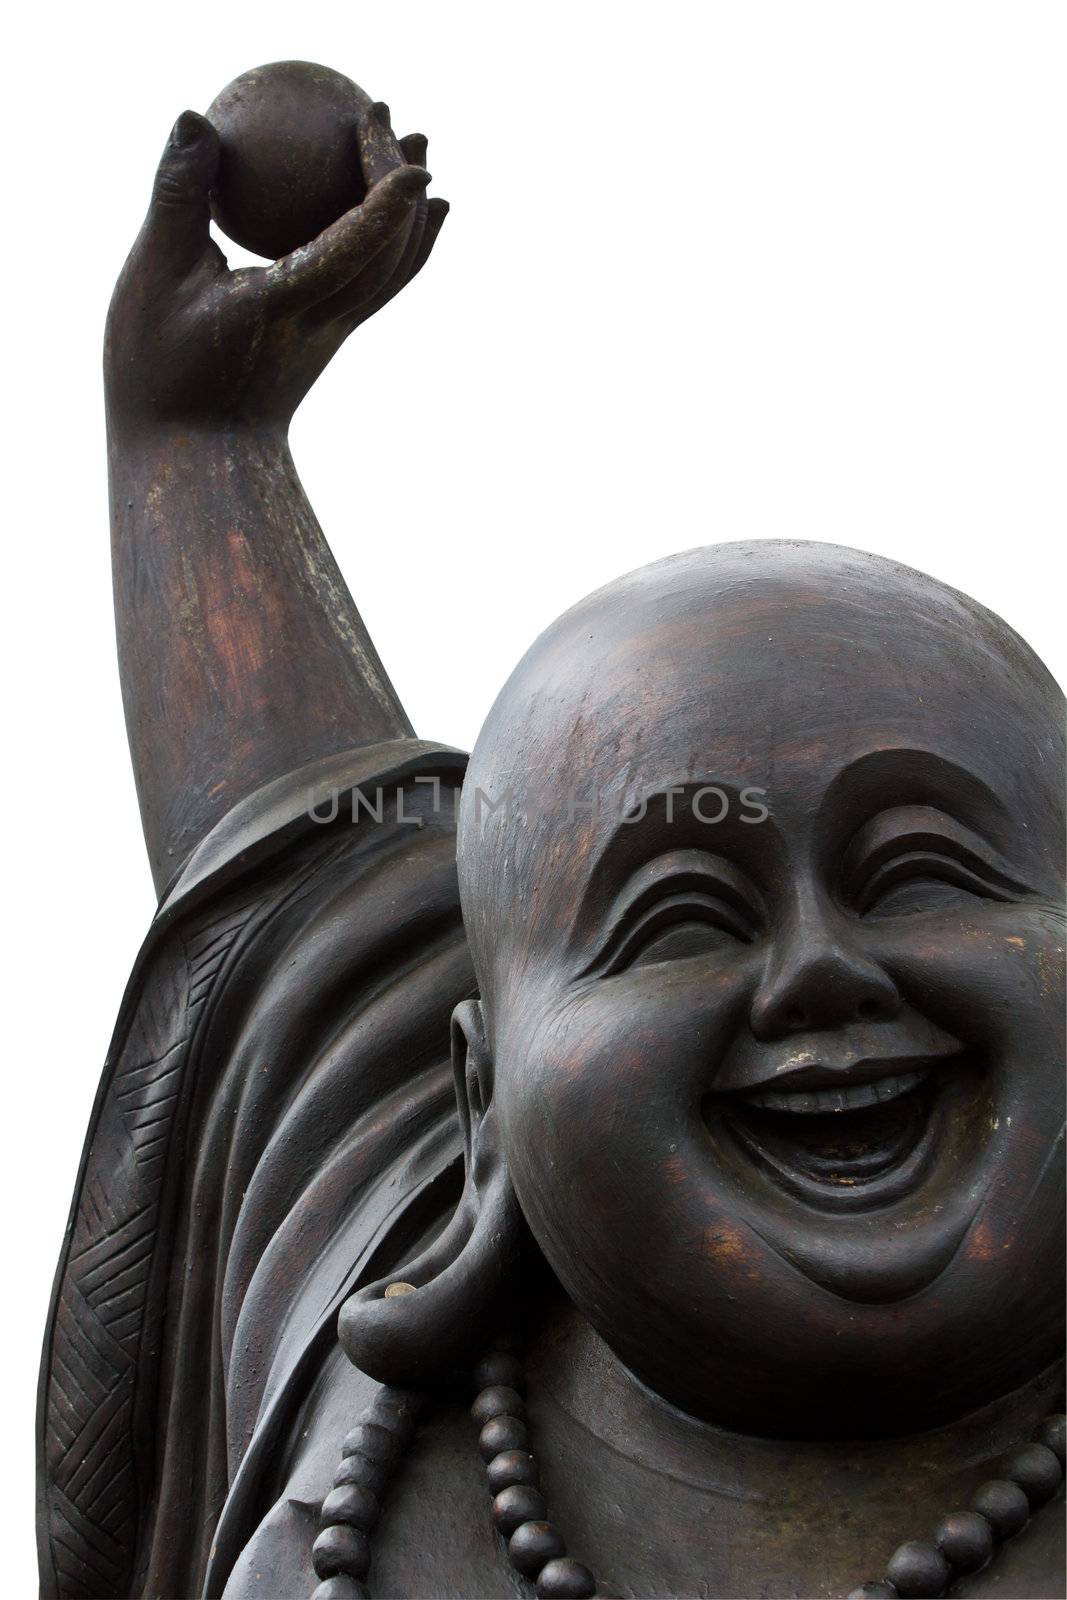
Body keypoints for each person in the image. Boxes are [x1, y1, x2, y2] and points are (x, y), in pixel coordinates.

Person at [38, 89, 1065, 1600]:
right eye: (677, 919)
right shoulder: (389, 1434)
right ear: (479, 1102)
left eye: (922, 869)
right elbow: (296, 885)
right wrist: (199, 443)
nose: (824, 975)